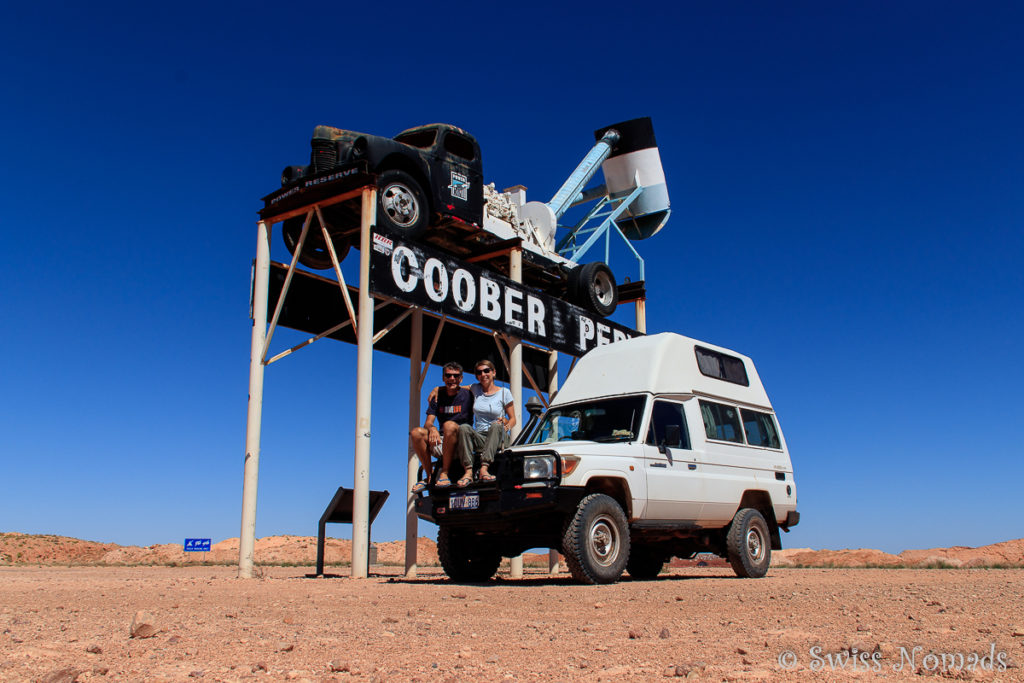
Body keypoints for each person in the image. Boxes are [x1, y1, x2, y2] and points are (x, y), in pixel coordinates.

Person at [409, 362, 473, 492]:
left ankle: (444, 472)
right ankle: (430, 476)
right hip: (443, 440)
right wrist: (432, 428)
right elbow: (428, 422)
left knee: (449, 425)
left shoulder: (469, 394)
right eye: (448, 375)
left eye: (456, 376)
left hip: (462, 443)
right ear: (443, 377)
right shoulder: (437, 397)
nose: (452, 379)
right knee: (416, 433)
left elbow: (486, 386)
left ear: (461, 378)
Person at [456, 359, 516, 487]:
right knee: (464, 428)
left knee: (495, 425)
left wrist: (506, 426)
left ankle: (484, 467)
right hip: (481, 436)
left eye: (486, 371)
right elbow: (455, 387)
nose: (483, 374)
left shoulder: (504, 393)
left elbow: (513, 419)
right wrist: (437, 389)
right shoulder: (475, 389)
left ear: (493, 373)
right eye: (479, 372)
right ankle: (468, 471)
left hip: (499, 435)